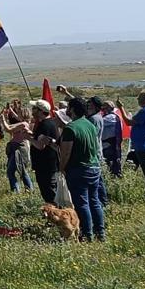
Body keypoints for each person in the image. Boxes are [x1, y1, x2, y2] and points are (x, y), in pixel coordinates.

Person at [58, 97, 105, 241]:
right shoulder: (89, 124)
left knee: (82, 203)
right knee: (94, 200)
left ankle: (87, 234)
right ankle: (100, 233)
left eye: (69, 107)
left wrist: (61, 168)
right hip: (94, 167)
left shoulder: (70, 128)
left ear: (72, 109)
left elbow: (66, 152)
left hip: (78, 169)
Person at [119, 90, 145, 201]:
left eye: (140, 98)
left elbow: (128, 122)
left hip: (143, 146)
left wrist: (121, 108)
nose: (138, 100)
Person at [29, 100, 62, 204]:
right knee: (50, 192)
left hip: (45, 166)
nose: (32, 110)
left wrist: (27, 138)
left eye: (34, 108)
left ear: (40, 111)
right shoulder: (51, 122)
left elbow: (40, 146)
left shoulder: (44, 125)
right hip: (49, 165)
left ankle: (56, 215)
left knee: (49, 194)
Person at [0, 107, 34, 193]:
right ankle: (28, 189)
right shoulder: (23, 123)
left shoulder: (23, 124)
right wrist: (4, 120)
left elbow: (9, 129)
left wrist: (3, 119)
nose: (17, 114)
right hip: (18, 147)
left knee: (12, 171)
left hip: (19, 148)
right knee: (21, 170)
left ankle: (17, 190)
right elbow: (10, 127)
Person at [97, 101, 123, 177]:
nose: (102, 110)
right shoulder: (111, 116)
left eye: (104, 108)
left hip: (109, 145)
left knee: (110, 164)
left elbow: (99, 122)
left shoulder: (111, 117)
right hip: (108, 144)